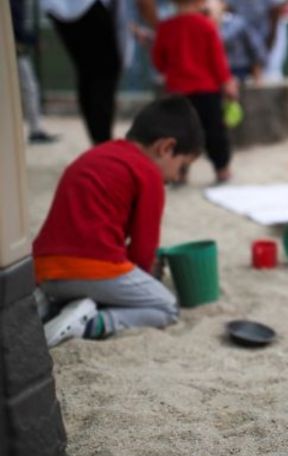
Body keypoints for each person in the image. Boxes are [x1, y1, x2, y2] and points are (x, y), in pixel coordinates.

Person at [35, 96, 204, 348]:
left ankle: (53, 306)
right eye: (183, 167)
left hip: (43, 270)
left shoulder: (99, 153)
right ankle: (94, 323)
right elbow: (142, 250)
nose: (178, 176)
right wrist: (147, 275)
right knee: (166, 306)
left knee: (103, 280)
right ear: (166, 148)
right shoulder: (148, 173)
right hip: (90, 267)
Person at [43, 0, 158, 145]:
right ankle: (102, 141)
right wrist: (162, 28)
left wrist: (133, 29)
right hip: (87, 6)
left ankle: (98, 140)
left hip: (58, 7)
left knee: (88, 71)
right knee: (104, 71)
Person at [153, 0, 238, 184]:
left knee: (179, 135)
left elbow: (159, 61)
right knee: (214, 131)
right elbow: (217, 59)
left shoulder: (165, 27)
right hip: (207, 90)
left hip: (177, 91)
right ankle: (222, 169)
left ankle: (179, 172)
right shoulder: (206, 25)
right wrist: (227, 82)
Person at [10, 0, 58, 144]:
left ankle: (35, 129)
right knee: (29, 89)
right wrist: (35, 40)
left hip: (17, 51)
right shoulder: (13, 4)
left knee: (29, 89)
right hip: (15, 52)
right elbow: (16, 29)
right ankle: (35, 130)